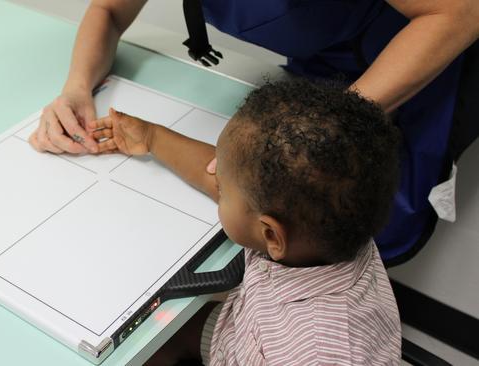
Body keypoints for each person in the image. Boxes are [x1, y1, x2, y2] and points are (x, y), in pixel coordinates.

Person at [29, 0, 479, 263]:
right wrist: (76, 87)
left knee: (358, 219)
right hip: (326, 57)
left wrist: (330, 122)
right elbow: (109, 9)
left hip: (422, 48)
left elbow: (458, 10)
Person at [88, 79, 402, 365]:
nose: (212, 175)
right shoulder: (321, 223)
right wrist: (151, 136)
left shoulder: (317, 354)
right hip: (239, 335)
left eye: (222, 188)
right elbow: (237, 178)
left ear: (271, 235)